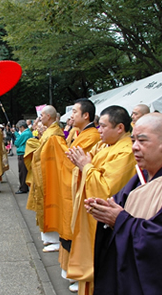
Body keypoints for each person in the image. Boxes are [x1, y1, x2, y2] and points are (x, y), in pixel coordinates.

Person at [86, 113, 162, 295]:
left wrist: (119, 220)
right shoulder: (141, 176)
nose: (134, 148)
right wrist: (105, 209)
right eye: (133, 141)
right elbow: (120, 205)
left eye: (142, 141)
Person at [66, 105, 136, 294]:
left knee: (100, 267)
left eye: (104, 126)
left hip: (103, 223)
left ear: (120, 128)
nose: (99, 130)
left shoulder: (126, 151)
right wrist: (83, 163)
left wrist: (86, 166)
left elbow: (105, 189)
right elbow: (89, 159)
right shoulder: (107, 144)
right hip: (90, 216)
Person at [57, 99, 101, 283]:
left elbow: (71, 159)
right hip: (72, 187)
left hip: (81, 190)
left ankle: (77, 273)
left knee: (76, 230)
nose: (71, 115)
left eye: (75, 112)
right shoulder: (80, 132)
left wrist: (55, 141)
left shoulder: (92, 135)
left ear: (86, 115)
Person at [25, 105, 67, 252]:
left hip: (51, 175)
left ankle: (55, 240)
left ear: (48, 116)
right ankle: (49, 238)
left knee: (51, 204)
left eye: (41, 115)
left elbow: (60, 157)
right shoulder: (49, 132)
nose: (39, 118)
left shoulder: (55, 135)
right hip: (44, 173)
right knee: (44, 205)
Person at [13, 120, 33, 194]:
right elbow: (20, 138)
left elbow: (17, 143)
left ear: (22, 127)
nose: (19, 130)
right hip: (25, 153)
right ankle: (24, 187)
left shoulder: (25, 133)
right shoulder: (27, 133)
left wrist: (16, 135)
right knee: (24, 171)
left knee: (22, 172)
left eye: (19, 128)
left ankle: (23, 188)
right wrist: (15, 133)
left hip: (23, 154)